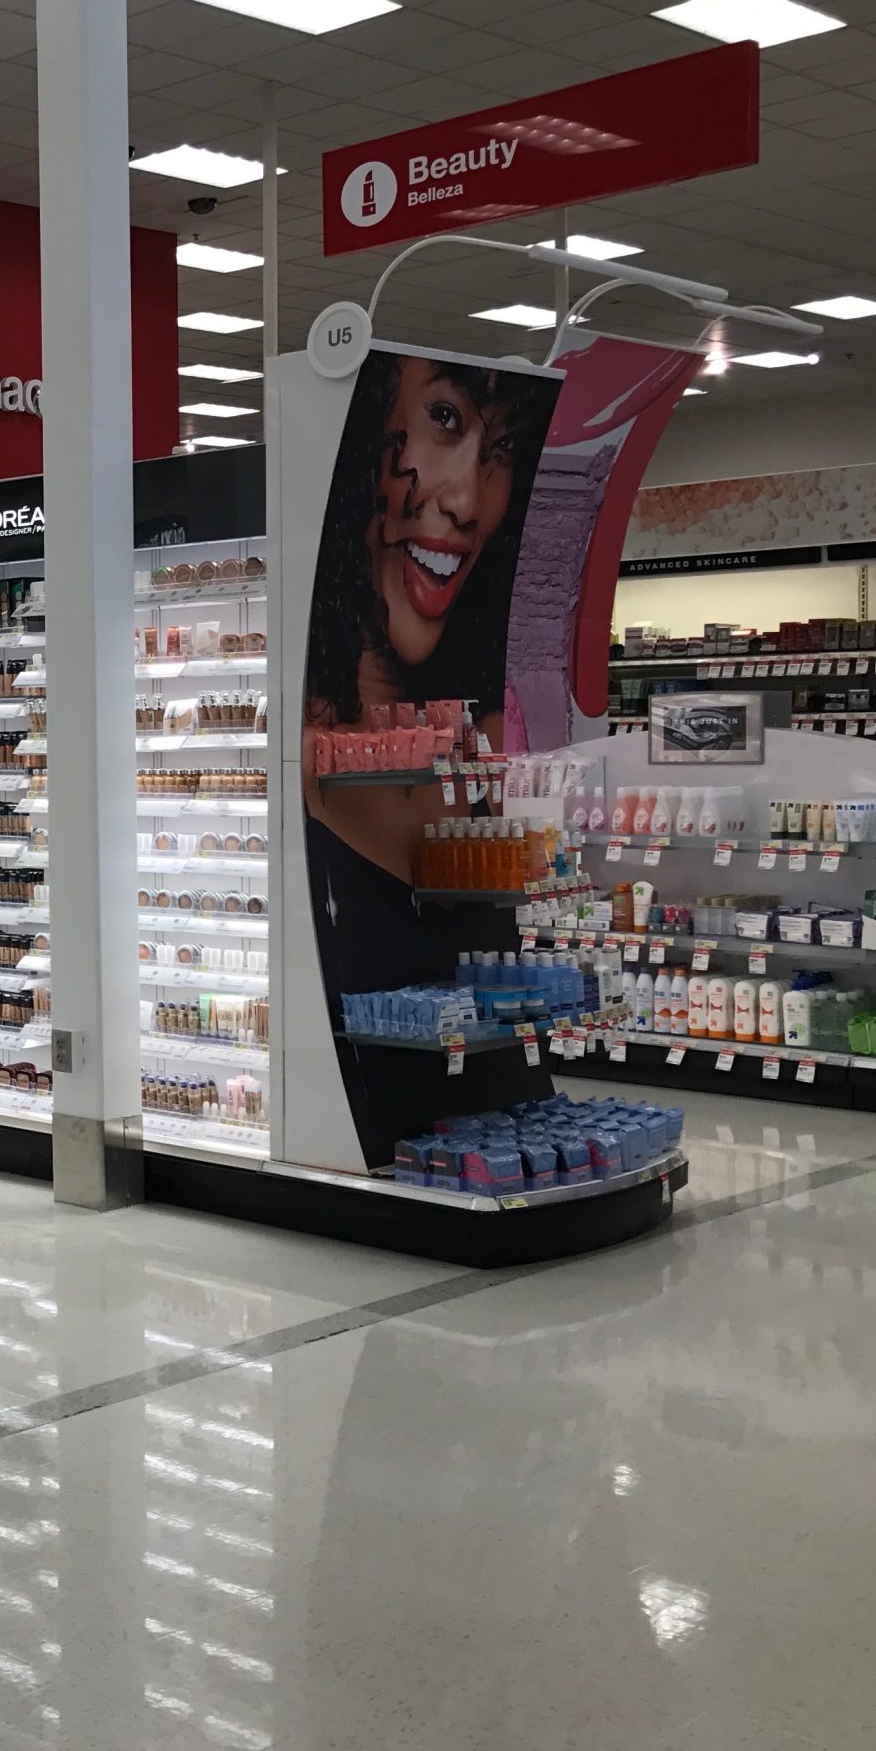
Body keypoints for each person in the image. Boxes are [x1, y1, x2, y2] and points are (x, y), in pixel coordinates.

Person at [301, 350, 558, 1163]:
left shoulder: (491, 738)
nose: (467, 498)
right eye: (444, 419)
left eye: (502, 452)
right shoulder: (289, 755)